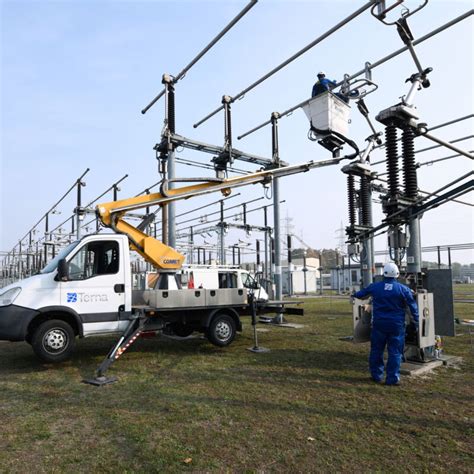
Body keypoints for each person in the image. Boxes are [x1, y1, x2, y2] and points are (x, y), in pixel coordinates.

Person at [353, 262, 419, 386]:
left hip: (379, 325)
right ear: (397, 274)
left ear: (384, 273)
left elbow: (361, 294)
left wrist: (353, 294)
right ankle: (392, 379)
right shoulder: (403, 289)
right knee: (395, 352)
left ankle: (376, 376)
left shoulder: (375, 287)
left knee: (376, 350)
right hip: (396, 326)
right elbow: (413, 306)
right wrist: (417, 320)